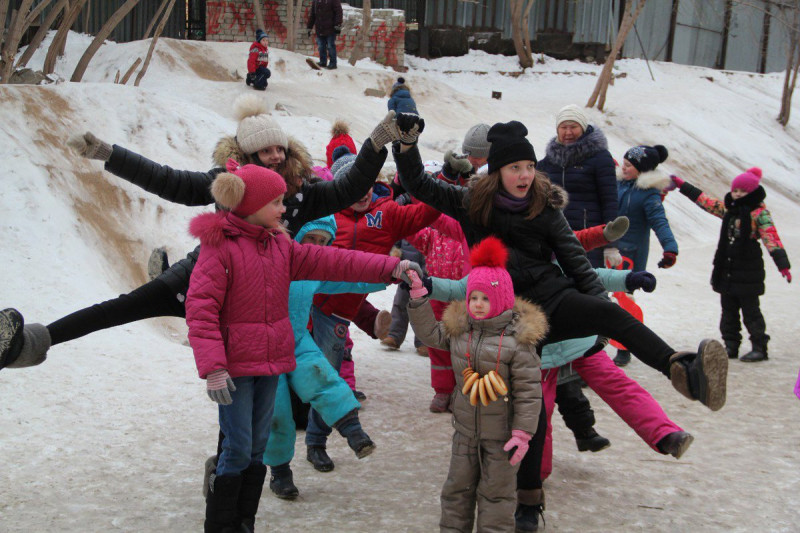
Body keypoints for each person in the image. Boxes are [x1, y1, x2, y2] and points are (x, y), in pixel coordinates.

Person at [391, 115, 728, 530]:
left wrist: (597, 307)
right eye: (516, 167)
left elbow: (575, 264)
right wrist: (405, 145)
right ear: (497, 172)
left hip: (552, 296)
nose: (525, 175)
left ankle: (682, 368)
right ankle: (529, 503)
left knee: (606, 311)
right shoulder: (470, 203)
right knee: (529, 418)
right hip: (504, 315)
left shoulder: (545, 209)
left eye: (530, 167)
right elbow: (417, 184)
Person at [0, 98, 408, 371]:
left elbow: (350, 188)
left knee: (245, 383)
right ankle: (35, 342)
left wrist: (374, 145)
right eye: (266, 151)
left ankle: (236, 467)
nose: (276, 156)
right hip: (201, 277)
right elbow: (169, 180)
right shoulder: (226, 183)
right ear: (246, 157)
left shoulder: (300, 193)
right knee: (121, 308)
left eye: (280, 149)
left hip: (251, 301)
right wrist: (109, 154)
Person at [185, 160, 405, 532]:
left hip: (271, 365)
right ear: (252, 205)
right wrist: (213, 368)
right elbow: (200, 309)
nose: (284, 209)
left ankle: (243, 523)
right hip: (235, 370)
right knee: (237, 449)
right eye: (276, 202)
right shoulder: (219, 248)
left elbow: (335, 262)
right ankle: (220, 525)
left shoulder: (281, 247)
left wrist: (389, 268)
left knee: (256, 451)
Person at [305, 142, 440, 472]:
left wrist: (445, 182)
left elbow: (424, 212)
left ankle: (315, 442)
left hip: (337, 314)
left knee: (328, 377)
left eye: (366, 183)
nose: (361, 191)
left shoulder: (387, 213)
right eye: (353, 184)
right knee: (305, 379)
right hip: (305, 303)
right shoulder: (326, 213)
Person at [406, 237, 546, 533]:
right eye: (473, 298)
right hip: (465, 434)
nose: (478, 304)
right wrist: (419, 298)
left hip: (503, 439)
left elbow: (530, 394)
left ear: (502, 300)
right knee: (456, 491)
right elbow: (431, 333)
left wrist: (522, 434)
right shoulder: (460, 332)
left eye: (485, 298)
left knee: (496, 496)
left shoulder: (517, 344)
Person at [536, 103, 619, 450]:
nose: (567, 132)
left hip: (589, 236)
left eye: (573, 127)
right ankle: (574, 353)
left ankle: (593, 346)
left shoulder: (599, 158)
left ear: (583, 129)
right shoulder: (547, 160)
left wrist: (611, 239)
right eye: (563, 127)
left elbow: (610, 199)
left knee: (590, 290)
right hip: (550, 239)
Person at [670, 168, 791, 362]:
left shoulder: (759, 213)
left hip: (749, 270)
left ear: (752, 192)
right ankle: (731, 345)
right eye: (736, 191)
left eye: (743, 192)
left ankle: (759, 347)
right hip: (727, 269)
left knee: (751, 312)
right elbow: (707, 202)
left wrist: (782, 264)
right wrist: (682, 185)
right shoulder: (729, 209)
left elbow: (771, 237)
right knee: (728, 311)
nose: (738, 194)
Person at [614, 144, 679, 366]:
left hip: (631, 253)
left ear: (642, 170)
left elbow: (660, 222)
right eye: (623, 163)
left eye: (629, 165)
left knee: (624, 301)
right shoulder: (617, 184)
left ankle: (625, 347)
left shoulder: (648, 195)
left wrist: (670, 248)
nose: (624, 167)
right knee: (598, 295)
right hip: (608, 249)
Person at [307, 0, 342, 70]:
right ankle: (323, 62)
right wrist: (309, 27)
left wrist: (337, 25)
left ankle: (333, 63)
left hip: (330, 28)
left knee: (330, 46)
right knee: (321, 46)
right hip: (319, 28)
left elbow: (338, 12)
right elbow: (313, 15)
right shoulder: (316, 1)